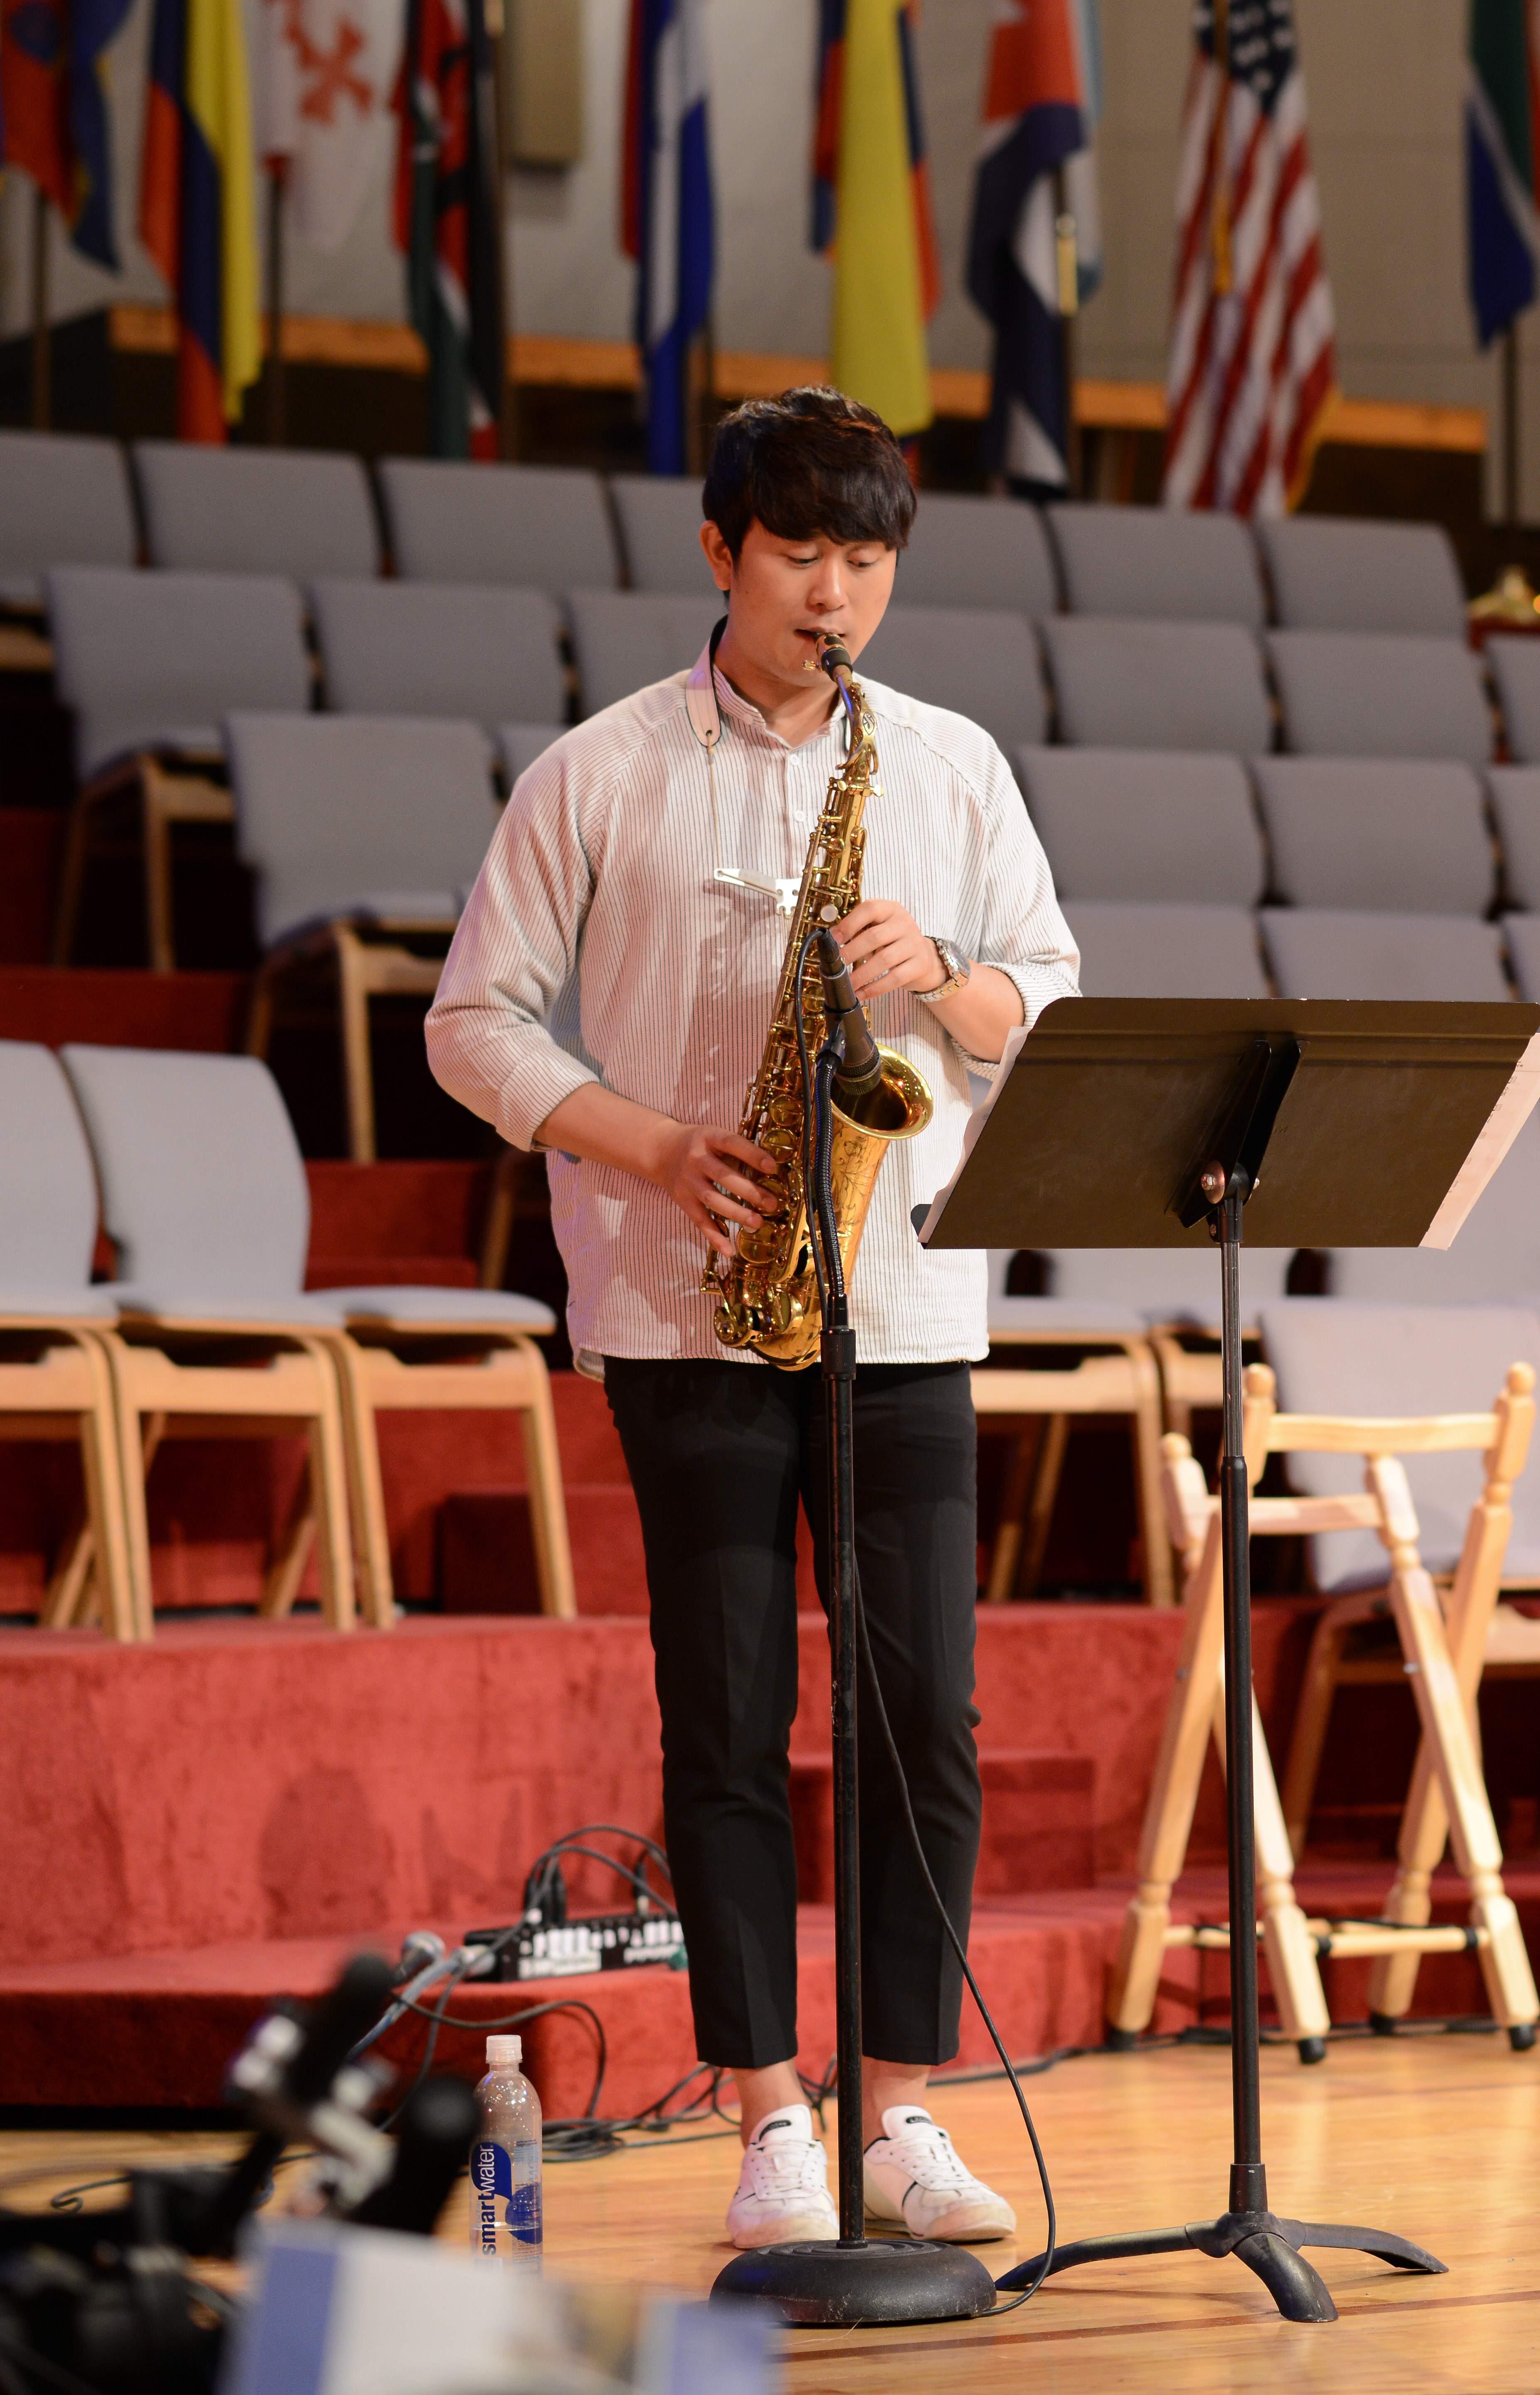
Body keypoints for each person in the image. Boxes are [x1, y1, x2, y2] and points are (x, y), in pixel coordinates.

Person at [426, 388, 1078, 2252]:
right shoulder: (600, 770)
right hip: (683, 1299)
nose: (835, 594)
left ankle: (900, 2111)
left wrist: (945, 978)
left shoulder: (950, 764)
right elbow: (470, 1023)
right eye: (800, 555)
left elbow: (1047, 996)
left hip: (904, 1297)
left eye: (867, 560)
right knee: (726, 1718)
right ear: (721, 553)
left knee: (924, 1718)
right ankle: (768, 2115)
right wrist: (648, 1142)